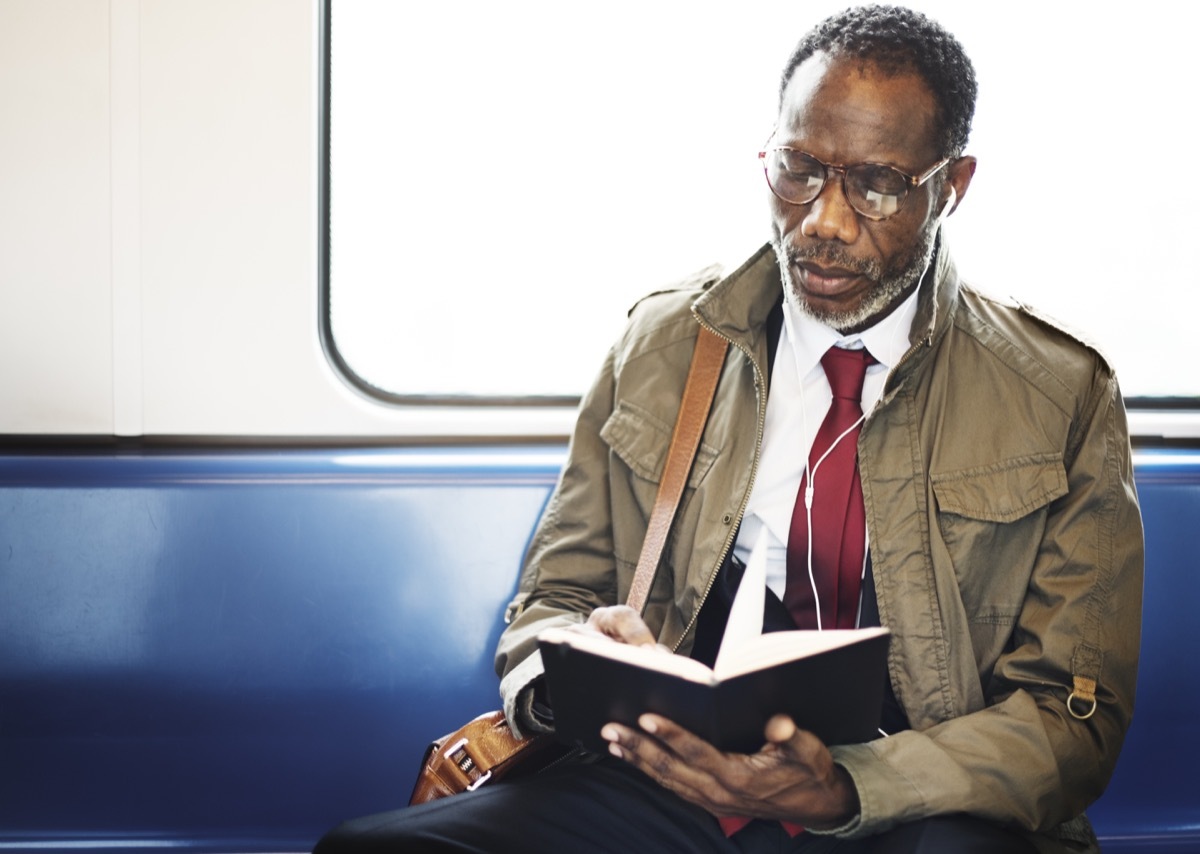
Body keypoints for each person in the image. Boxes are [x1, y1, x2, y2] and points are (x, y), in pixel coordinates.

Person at [315, 5, 1143, 852]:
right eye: (799, 169)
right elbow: (554, 600)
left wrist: (852, 786)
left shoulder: (1060, 396)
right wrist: (578, 673)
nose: (824, 219)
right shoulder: (664, 344)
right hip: (671, 782)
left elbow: (1070, 725)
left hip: (918, 800)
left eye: (876, 184)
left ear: (951, 187)